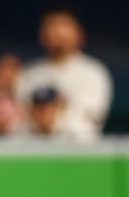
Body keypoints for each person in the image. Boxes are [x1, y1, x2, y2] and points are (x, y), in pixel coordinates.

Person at [15, 8, 112, 139]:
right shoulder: (28, 74)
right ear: (41, 35)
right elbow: (18, 120)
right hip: (33, 151)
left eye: (64, 25)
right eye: (51, 26)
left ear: (79, 33)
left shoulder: (94, 72)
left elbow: (89, 122)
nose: (57, 32)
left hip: (78, 153)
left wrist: (53, 123)